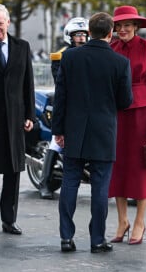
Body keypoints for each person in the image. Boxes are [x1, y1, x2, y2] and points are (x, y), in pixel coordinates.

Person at [51, 12, 133, 253]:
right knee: (100, 188)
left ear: (89, 31)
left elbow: (61, 97)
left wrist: (58, 129)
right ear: (111, 33)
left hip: (74, 129)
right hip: (104, 131)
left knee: (70, 182)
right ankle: (97, 239)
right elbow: (125, 101)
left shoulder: (70, 57)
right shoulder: (120, 62)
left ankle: (66, 237)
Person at [108, 5, 146, 245]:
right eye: (118, 26)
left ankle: (140, 221)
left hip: (142, 117)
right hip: (115, 116)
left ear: (136, 27)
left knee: (142, 169)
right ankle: (122, 220)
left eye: (127, 25)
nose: (122, 29)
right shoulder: (110, 48)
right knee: (117, 168)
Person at [0, 4, 35, 236]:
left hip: (15, 120)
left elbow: (28, 83)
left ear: (8, 23)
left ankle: (9, 220)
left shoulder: (22, 47)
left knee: (13, 171)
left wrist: (30, 114)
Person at [39, 17, 89, 199]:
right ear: (70, 36)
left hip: (87, 105)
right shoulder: (60, 56)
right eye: (78, 35)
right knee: (57, 142)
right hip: (66, 103)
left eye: (84, 35)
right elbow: (61, 83)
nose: (82, 38)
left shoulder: (92, 53)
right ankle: (44, 183)